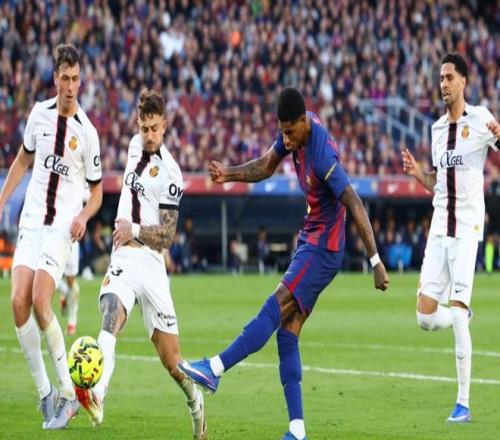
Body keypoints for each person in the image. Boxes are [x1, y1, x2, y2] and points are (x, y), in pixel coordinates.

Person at [179, 87, 389, 440]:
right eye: (282, 132)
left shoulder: (323, 155)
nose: (286, 140)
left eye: (290, 132)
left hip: (323, 248)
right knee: (287, 333)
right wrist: (228, 174)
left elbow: (354, 202)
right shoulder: (293, 134)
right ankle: (297, 429)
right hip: (311, 237)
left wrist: (376, 260)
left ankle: (215, 368)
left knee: (275, 305)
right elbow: (266, 164)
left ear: (305, 122)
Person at [74, 89, 207, 439]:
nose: (149, 135)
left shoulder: (171, 173)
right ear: (138, 124)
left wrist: (132, 228)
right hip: (123, 258)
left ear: (165, 125)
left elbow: (167, 236)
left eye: (154, 129)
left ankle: (196, 403)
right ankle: (97, 393)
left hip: (151, 265)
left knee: (173, 363)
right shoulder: (134, 146)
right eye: (144, 128)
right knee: (110, 314)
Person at [0, 44, 103, 429]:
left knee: (41, 299)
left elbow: (97, 191)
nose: (71, 86)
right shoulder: (38, 114)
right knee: (17, 302)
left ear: (81, 80)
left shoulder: (87, 133)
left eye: (76, 79)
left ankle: (68, 394)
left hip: (61, 227)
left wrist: (83, 215)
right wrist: (1, 200)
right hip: (31, 223)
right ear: (55, 78)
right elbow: (22, 160)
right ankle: (45, 393)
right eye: (65, 78)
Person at [402, 53, 500, 423]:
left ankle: (463, 404)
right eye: (440, 78)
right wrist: (417, 174)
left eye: (448, 78)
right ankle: (463, 312)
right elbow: (438, 181)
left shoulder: (481, 118)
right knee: (425, 317)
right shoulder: (437, 129)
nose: (442, 84)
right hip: (439, 226)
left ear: (463, 81)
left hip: (467, 228)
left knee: (456, 314)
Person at [58, 240, 80, 335]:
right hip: (52, 239)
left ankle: (72, 322)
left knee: (71, 282)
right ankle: (65, 291)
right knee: (48, 276)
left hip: (72, 240)